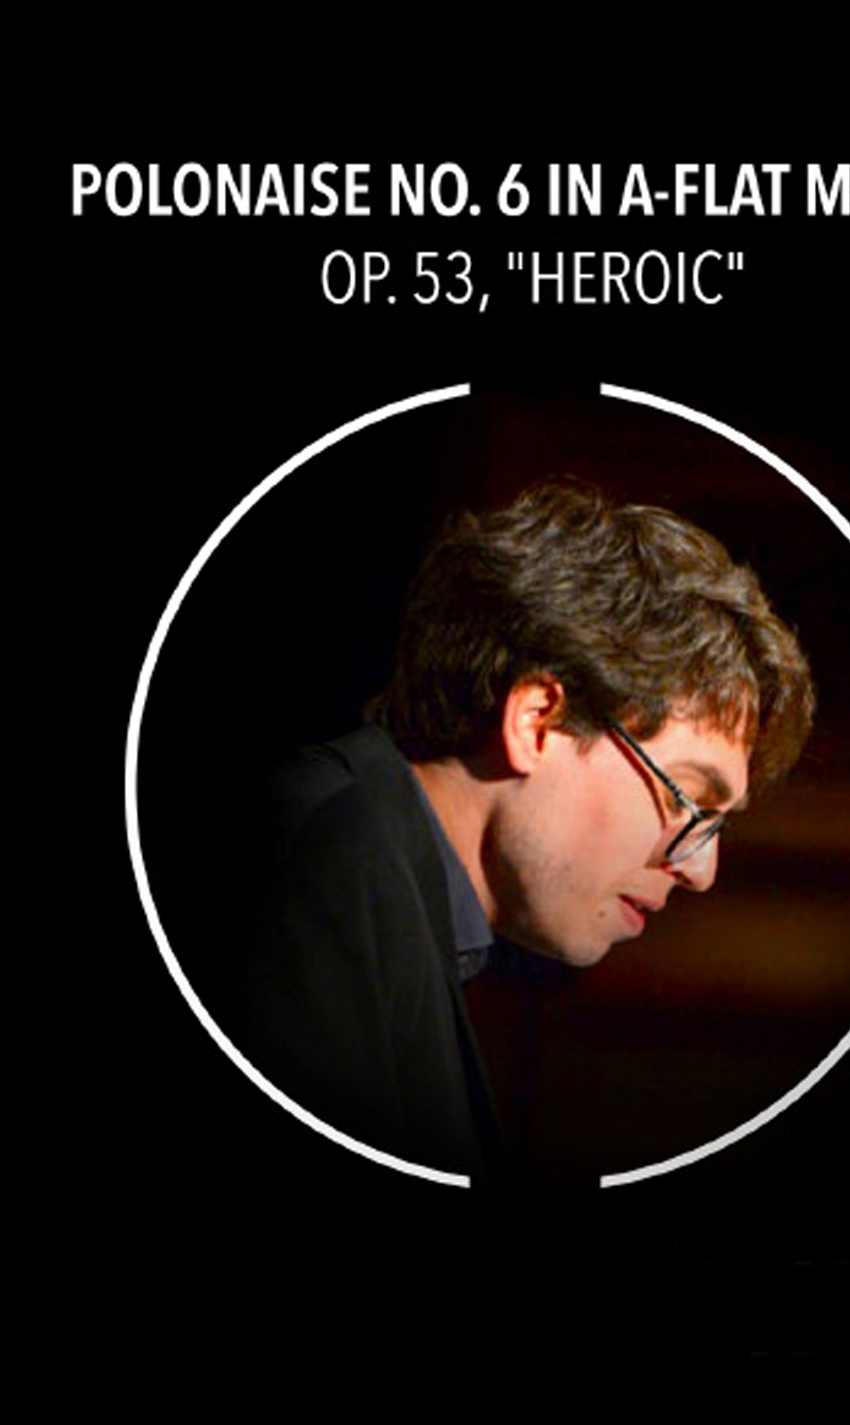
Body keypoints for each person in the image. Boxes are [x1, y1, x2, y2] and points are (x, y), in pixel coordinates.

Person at [234, 483, 814, 1182]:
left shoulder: (376, 883)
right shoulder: (315, 870)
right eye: (688, 798)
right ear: (537, 721)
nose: (702, 870)